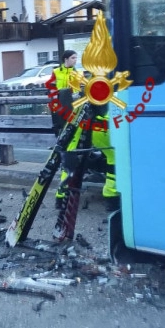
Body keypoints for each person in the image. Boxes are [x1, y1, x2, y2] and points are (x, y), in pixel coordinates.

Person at [49, 50, 119, 215]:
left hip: (80, 120)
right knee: (113, 159)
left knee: (71, 158)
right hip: (103, 124)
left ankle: (61, 198)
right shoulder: (112, 75)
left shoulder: (88, 77)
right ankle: (112, 198)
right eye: (73, 57)